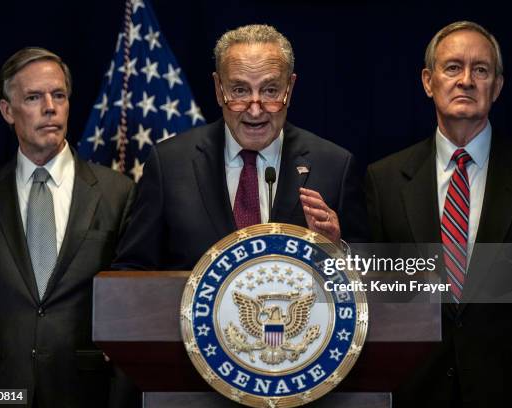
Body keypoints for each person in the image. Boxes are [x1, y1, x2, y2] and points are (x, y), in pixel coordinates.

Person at [365, 21, 512, 408]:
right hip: (417, 396)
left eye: (481, 70)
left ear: (498, 86)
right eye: (453, 67)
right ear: (428, 81)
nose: (466, 80)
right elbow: (383, 309)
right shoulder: (384, 179)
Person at [0, 47, 136, 408]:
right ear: (8, 111)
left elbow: (129, 317)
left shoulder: (118, 193)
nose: (49, 107)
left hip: (84, 394)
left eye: (59, 95)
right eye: (34, 97)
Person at [114, 24, 367, 270]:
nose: (255, 110)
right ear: (218, 88)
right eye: (240, 90)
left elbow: (373, 281)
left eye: (269, 91)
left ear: (289, 88)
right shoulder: (169, 164)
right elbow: (131, 270)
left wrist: (337, 251)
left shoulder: (335, 167)